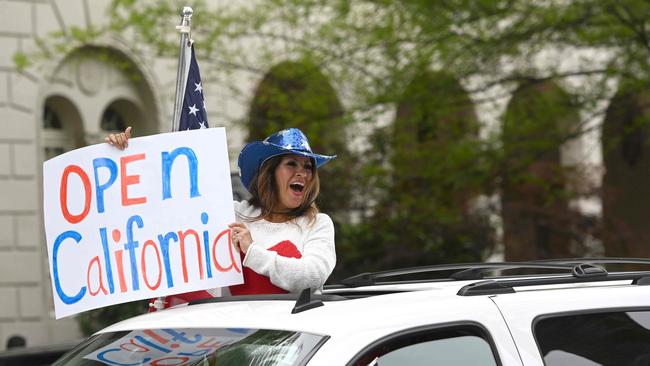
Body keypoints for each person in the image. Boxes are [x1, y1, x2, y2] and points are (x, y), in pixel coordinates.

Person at [106, 127, 337, 300]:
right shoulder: (234, 214)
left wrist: (252, 251)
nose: (303, 173)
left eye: (308, 167)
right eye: (291, 164)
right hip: (234, 341)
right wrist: (125, 158)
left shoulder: (318, 223)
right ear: (270, 173)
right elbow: (169, 207)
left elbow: (311, 277)